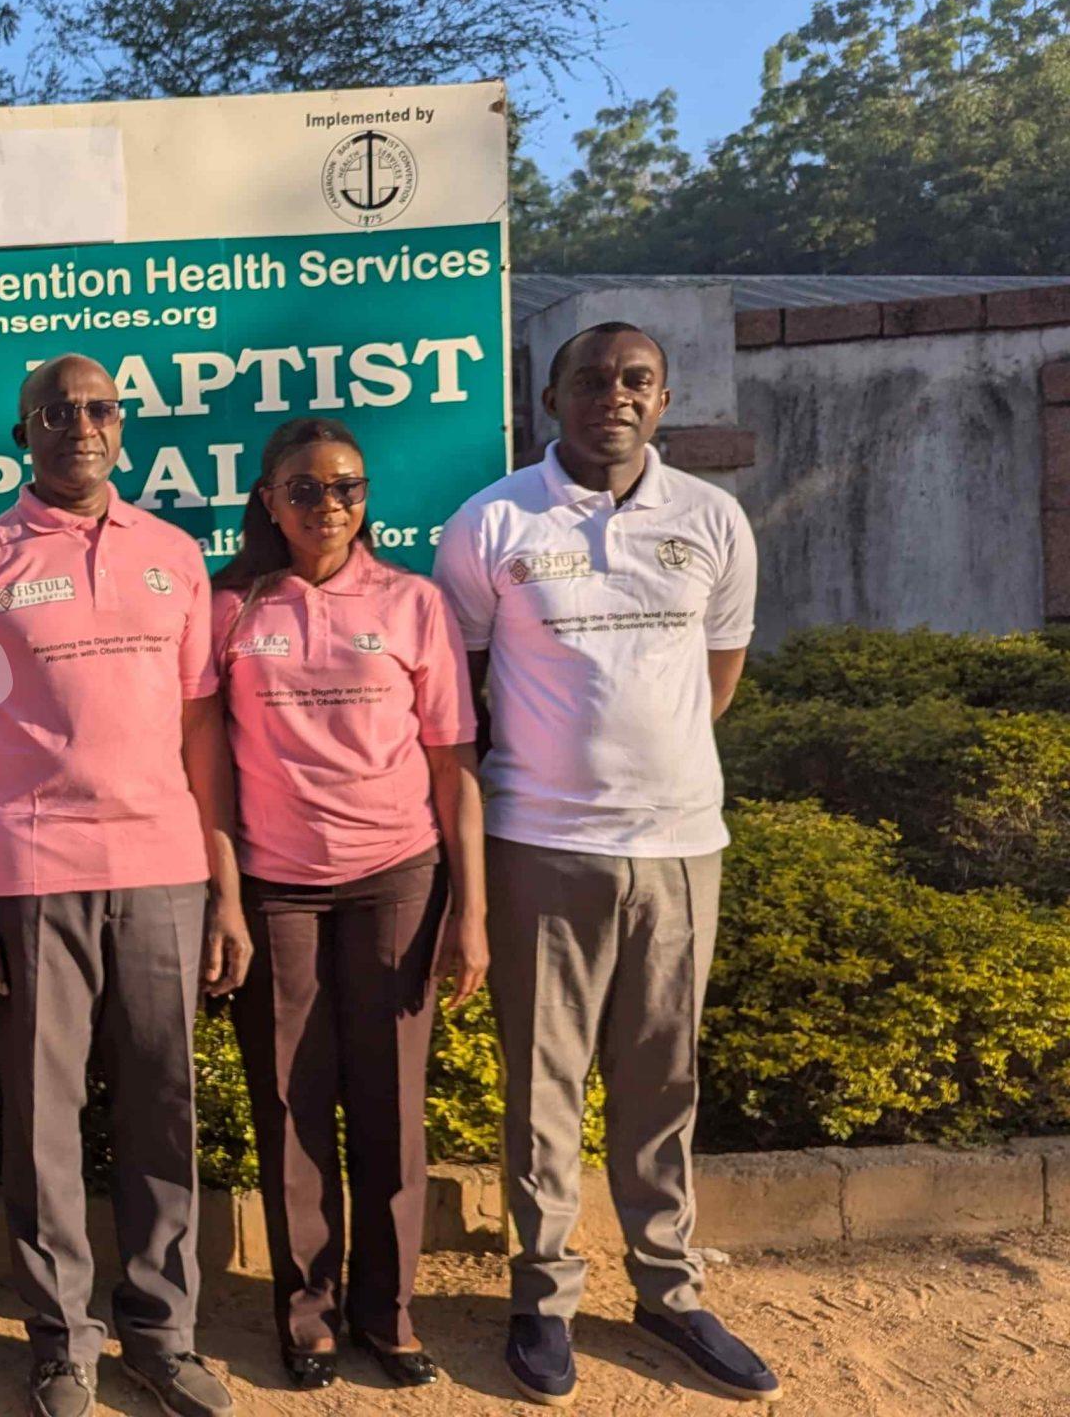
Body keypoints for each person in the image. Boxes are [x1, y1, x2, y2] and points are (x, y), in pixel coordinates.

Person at [432, 322, 779, 1407]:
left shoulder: (711, 520)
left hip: (680, 846)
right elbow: (464, 692)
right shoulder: (491, 522)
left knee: (659, 1079)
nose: (612, 397)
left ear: (662, 400)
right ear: (551, 397)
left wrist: (648, 774)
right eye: (592, 379)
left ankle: (667, 1290)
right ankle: (543, 1297)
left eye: (635, 381)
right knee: (542, 1084)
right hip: (539, 840)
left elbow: (716, 677)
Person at [0, 355, 239, 1417]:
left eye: (100, 409)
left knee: (162, 1109)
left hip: (163, 873)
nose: (81, 427)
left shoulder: (175, 558)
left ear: (121, 426)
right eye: (56, 413)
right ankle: (61, 1342)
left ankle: (161, 1331)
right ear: (22, 433)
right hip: (31, 874)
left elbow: (202, 733)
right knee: (44, 1122)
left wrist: (224, 888)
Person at [210, 417, 488, 1393]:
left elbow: (454, 765)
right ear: (266, 500)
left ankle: (390, 1312)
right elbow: (201, 766)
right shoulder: (230, 609)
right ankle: (306, 1315)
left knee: (389, 1107)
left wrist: (472, 914)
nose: (328, 505)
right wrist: (224, 898)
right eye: (304, 489)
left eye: (347, 488)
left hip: (397, 879)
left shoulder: (413, 603)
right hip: (276, 883)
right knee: (289, 1104)